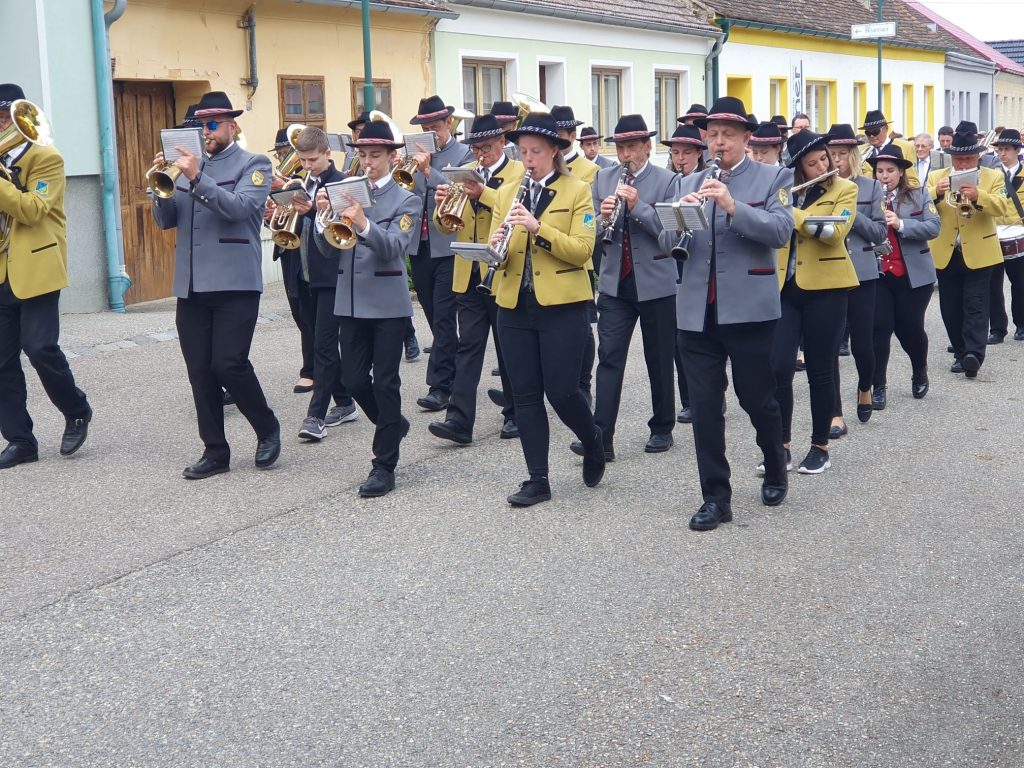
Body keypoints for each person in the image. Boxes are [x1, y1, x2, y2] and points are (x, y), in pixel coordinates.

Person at [666, 96, 793, 531]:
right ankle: (716, 497)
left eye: (727, 135)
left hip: (750, 310)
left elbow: (779, 231)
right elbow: (668, 245)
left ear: (745, 138)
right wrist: (676, 220)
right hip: (696, 311)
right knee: (704, 407)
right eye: (712, 134)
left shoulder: (773, 176)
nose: (718, 142)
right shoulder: (687, 180)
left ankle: (775, 462)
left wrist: (733, 206)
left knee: (756, 397)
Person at [150, 90, 279, 479]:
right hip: (192, 285)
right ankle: (215, 451)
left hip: (235, 282)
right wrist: (159, 186)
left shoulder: (254, 163)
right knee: (200, 370)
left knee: (229, 363)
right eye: (198, 125)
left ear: (232, 126)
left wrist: (196, 176)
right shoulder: (186, 167)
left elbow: (240, 209)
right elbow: (166, 220)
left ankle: (267, 427)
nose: (204, 131)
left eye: (211, 124)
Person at [488, 112, 604, 507]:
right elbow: (495, 251)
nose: (529, 159)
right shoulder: (508, 192)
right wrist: (495, 247)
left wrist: (538, 228)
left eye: (536, 151)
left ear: (555, 151)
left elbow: (582, 251)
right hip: (514, 305)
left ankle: (592, 439)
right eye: (523, 152)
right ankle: (537, 479)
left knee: (563, 391)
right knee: (524, 396)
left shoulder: (577, 191)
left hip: (563, 306)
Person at [313, 119, 421, 497]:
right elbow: (329, 249)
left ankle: (384, 465)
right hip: (351, 300)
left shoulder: (407, 199)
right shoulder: (345, 191)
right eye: (363, 155)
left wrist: (361, 223)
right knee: (355, 379)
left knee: (386, 382)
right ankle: (393, 425)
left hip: (388, 305)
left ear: (392, 157)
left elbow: (395, 248)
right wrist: (321, 219)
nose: (368, 162)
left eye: (376, 155)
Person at [569, 115, 681, 461]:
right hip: (616, 283)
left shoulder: (668, 181)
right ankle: (602, 435)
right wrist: (603, 219)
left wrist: (638, 207)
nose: (626, 154)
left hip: (657, 283)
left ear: (648, 147)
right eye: (620, 147)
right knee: (609, 357)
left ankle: (662, 427)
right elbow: (591, 233)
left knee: (659, 359)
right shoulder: (603, 178)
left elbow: (673, 235)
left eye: (632, 146)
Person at [0, 83, 92, 470]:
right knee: (1, 362)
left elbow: (34, 210)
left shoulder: (46, 158)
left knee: (40, 349)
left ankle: (76, 409)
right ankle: (21, 441)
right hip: (2, 272)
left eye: (3, 117)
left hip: (36, 267)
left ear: (20, 118)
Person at [428, 114, 522, 445]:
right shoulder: (464, 175)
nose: (480, 154)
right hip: (468, 271)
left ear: (502, 144)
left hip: (501, 269)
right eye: (476, 148)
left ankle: (516, 412)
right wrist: (444, 209)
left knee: (509, 345)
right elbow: (447, 227)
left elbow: (510, 210)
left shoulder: (518, 174)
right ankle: (459, 419)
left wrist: (481, 193)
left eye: (486, 147)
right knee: (468, 345)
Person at [772, 129, 858, 475]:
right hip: (785, 287)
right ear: (799, 168)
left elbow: (834, 233)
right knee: (778, 368)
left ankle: (820, 446)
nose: (823, 164)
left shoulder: (845, 189)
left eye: (825, 158)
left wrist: (792, 215)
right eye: (813, 162)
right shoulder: (782, 191)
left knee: (821, 370)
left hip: (828, 288)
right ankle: (781, 446)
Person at [277, 126, 359, 443]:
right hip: (303, 273)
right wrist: (279, 209)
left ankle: (315, 416)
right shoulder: (302, 183)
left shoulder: (342, 186)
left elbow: (340, 231)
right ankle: (346, 402)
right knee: (317, 342)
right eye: (303, 160)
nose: (307, 166)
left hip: (331, 276)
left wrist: (313, 210)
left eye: (313, 160)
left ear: (328, 154)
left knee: (324, 345)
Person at [405, 96, 474, 412]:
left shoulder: (464, 154)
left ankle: (440, 386)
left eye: (434, 127)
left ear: (448, 124)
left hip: (449, 245)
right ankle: (456, 370)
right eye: (424, 128)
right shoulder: (414, 155)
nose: (430, 133)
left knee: (445, 317)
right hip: (419, 245)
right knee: (433, 314)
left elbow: (463, 190)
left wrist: (429, 170)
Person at [927, 130, 1010, 379]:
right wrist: (936, 193)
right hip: (946, 251)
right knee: (950, 308)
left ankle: (974, 354)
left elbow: (1003, 207)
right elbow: (920, 207)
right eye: (959, 160)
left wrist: (978, 196)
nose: (963, 164)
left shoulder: (993, 176)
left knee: (976, 305)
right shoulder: (935, 176)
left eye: (969, 159)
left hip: (980, 251)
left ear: (978, 156)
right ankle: (961, 353)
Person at [825, 124, 886, 437]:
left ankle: (865, 385)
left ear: (852, 156)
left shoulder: (871, 188)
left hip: (862, 273)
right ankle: (834, 412)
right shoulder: (819, 187)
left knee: (863, 343)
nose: (836, 160)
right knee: (832, 345)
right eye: (831, 154)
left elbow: (879, 233)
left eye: (841, 154)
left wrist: (851, 213)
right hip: (828, 272)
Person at [867, 145, 941, 407]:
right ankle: (878, 385)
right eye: (879, 171)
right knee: (880, 327)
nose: (884, 176)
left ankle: (919, 369)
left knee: (909, 328)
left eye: (890, 171)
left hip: (912, 275)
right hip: (878, 273)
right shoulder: (867, 197)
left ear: (901, 172)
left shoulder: (918, 195)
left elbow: (934, 227)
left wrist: (900, 223)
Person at [661, 124, 706, 424]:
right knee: (680, 338)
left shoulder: (708, 181)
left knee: (701, 337)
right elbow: (663, 233)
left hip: (699, 261)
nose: (680, 158)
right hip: (675, 262)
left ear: (699, 154)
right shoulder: (672, 183)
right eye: (675, 152)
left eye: (686, 152)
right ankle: (689, 399)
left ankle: (705, 395)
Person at [268, 126, 316, 394]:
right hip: (289, 249)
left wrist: (284, 189)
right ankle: (316, 365)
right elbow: (279, 218)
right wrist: (271, 216)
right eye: (280, 153)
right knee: (299, 310)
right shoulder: (286, 181)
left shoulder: (304, 179)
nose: (282, 158)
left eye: (286, 152)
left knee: (309, 313)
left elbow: (311, 207)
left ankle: (310, 370)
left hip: (309, 250)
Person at [989, 128, 1024, 343]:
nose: (1002, 153)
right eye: (1000, 149)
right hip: (993, 234)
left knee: (1020, 283)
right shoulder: (992, 176)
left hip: (1018, 232)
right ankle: (997, 329)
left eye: (1007, 149)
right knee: (992, 284)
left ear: (1017, 151)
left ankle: (1021, 324)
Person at [859, 110, 918, 187]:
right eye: (868, 133)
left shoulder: (906, 147)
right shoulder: (859, 151)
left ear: (886, 128)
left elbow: (913, 181)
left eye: (875, 131)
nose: (872, 136)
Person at [551, 106, 599, 185]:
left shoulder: (590, 169)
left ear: (573, 136)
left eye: (559, 136)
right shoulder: (544, 166)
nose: (553, 140)